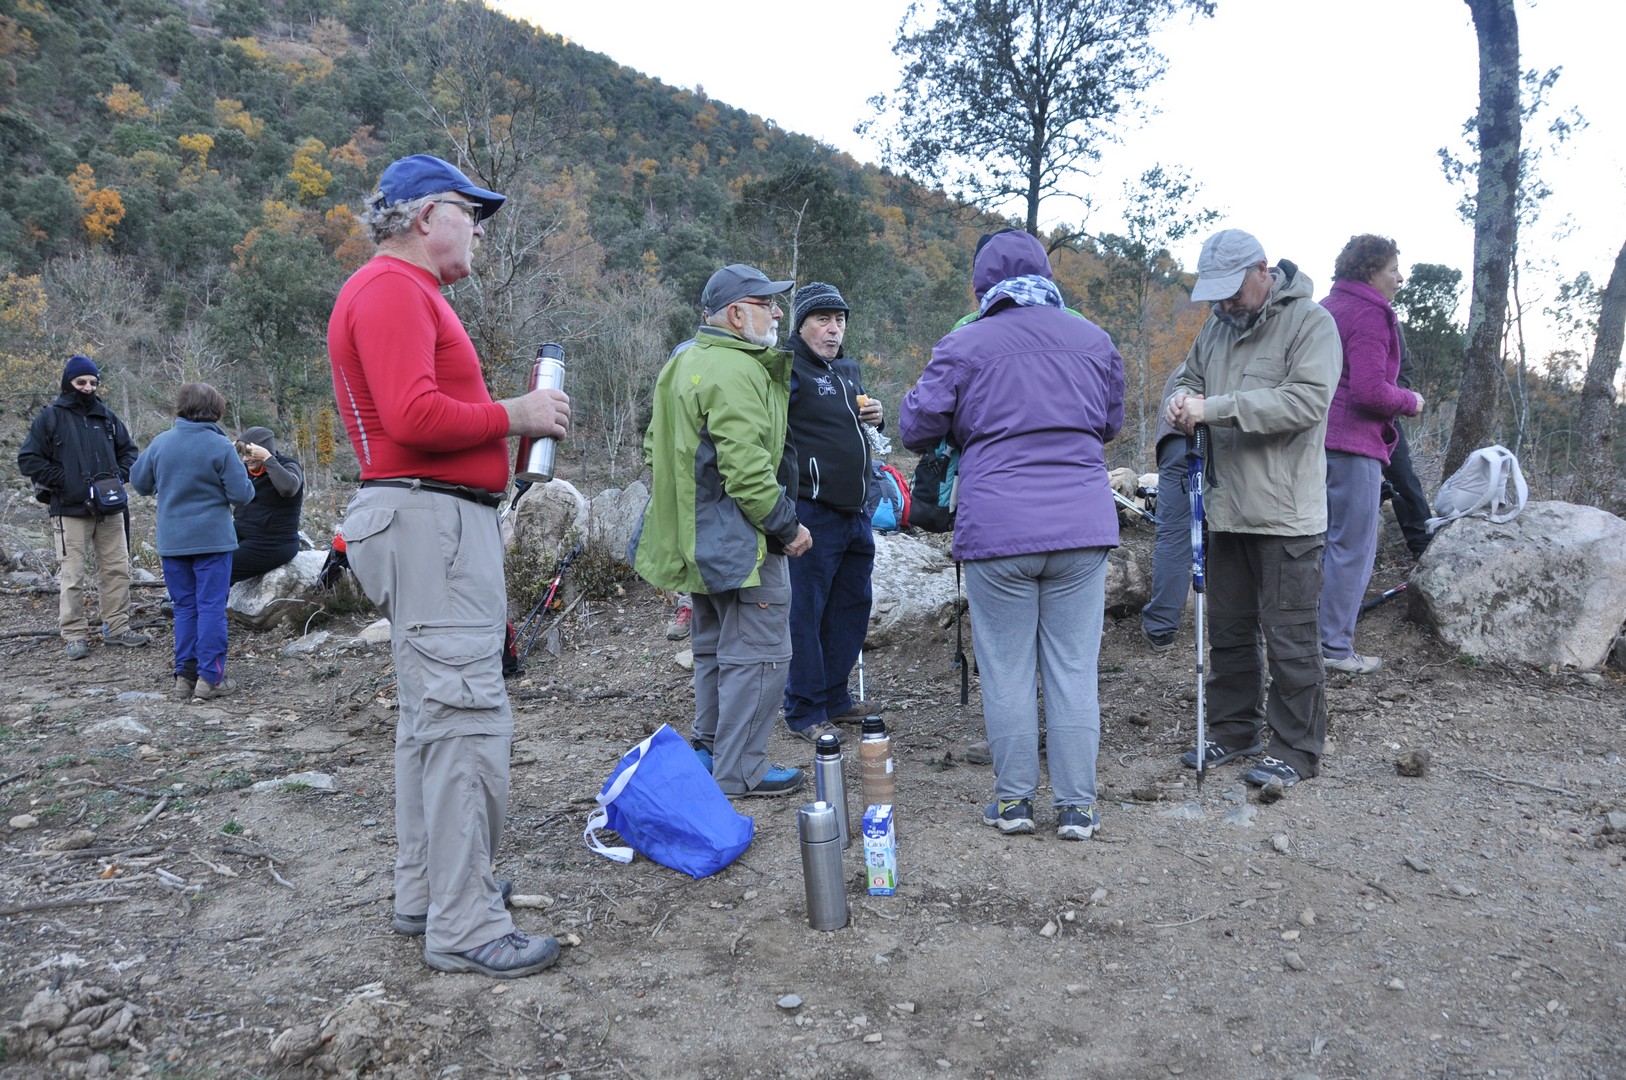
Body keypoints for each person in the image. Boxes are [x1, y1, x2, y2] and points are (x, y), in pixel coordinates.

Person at [328, 153, 571, 979]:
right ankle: (466, 924)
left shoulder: (402, 291)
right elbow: (412, 414)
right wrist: (517, 414)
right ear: (428, 215)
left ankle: (428, 893)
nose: (479, 231)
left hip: (426, 520)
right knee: (466, 719)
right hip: (430, 523)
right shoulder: (393, 288)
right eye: (473, 213)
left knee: (432, 719)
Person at [899, 229, 1124, 840]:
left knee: (1006, 669)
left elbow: (916, 427)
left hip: (998, 527)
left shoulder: (964, 342)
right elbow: (1109, 424)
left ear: (983, 287)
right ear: (1045, 277)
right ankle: (1077, 807)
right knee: (1073, 668)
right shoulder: (1094, 339)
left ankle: (1015, 802)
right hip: (1081, 525)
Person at [1165, 228, 1341, 791]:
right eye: (1214, 294)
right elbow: (1188, 378)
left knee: (1291, 638)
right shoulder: (1217, 327)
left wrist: (1211, 408)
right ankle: (1234, 729)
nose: (1223, 304)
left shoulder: (1311, 323)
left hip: (1287, 517)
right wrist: (1179, 400)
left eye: (1232, 291)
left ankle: (1297, 748)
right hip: (1224, 509)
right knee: (1230, 632)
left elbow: (1304, 402)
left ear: (1263, 271)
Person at [633, 263, 813, 798]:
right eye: (766, 304)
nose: (777, 313)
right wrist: (786, 527)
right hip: (742, 543)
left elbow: (654, 448)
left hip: (695, 543)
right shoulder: (737, 369)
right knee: (760, 656)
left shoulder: (682, 359)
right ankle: (741, 771)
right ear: (736, 314)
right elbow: (747, 471)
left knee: (714, 650)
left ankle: (710, 751)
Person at [782, 282, 885, 744]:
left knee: (850, 608)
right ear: (801, 324)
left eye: (839, 320)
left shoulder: (847, 369)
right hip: (812, 510)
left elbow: (857, 428)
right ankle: (805, 709)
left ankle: (836, 697)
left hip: (856, 512)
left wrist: (877, 415)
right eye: (822, 319)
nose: (833, 329)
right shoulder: (787, 369)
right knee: (806, 613)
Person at [1318, 235, 1425, 674]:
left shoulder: (1326, 307)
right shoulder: (1371, 313)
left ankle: (1305, 641)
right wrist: (1410, 401)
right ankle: (1334, 647)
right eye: (1393, 269)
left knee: (1318, 545)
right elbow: (1369, 391)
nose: (1400, 278)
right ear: (1370, 271)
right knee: (1353, 548)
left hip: (1312, 443)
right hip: (1353, 446)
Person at [17, 355, 152, 660]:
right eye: (81, 382)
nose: (88, 387)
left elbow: (130, 452)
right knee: (72, 575)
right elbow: (28, 460)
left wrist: (117, 477)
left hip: (110, 509)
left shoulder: (107, 417)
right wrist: (66, 481)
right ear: (68, 383)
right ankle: (74, 634)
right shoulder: (50, 418)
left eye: (93, 382)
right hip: (69, 509)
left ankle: (117, 627)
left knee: (117, 569)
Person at [129, 383, 255, 700]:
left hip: (173, 541)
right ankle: (210, 678)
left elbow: (140, 483)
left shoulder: (161, 442)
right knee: (211, 607)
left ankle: (184, 677)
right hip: (213, 540)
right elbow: (241, 495)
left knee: (184, 607)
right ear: (216, 410)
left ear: (181, 407)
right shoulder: (220, 446)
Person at [1139, 369, 1193, 653]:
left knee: (1174, 534)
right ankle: (1238, 619)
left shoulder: (1189, 365)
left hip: (1177, 440)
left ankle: (1161, 627)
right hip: (1226, 436)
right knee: (1231, 531)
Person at [229, 426, 305, 584]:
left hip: (273, 542)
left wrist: (268, 459)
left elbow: (288, 488)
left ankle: (203, 599)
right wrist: (227, 454)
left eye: (250, 453)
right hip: (242, 533)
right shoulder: (245, 470)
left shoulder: (288, 466)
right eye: (243, 454)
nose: (245, 459)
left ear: (264, 451)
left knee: (220, 566)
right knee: (204, 553)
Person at [1383, 326, 1434, 559]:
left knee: (1403, 478)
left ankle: (1423, 547)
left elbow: (1405, 365)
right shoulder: (1331, 313)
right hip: (1342, 418)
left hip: (1385, 415)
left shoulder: (1389, 320)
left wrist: (1393, 396)